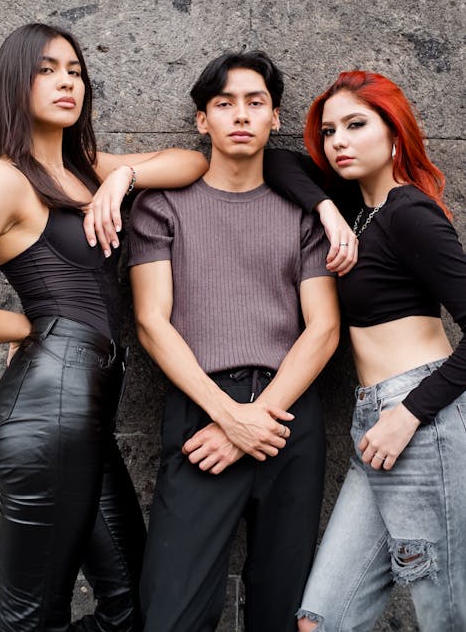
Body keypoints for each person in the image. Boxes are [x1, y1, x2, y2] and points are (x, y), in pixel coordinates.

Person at [0, 22, 208, 632]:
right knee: (32, 617)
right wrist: (26, 327)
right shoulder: (5, 179)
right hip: (46, 409)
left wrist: (123, 178)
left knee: (134, 609)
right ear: (15, 83)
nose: (66, 81)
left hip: (85, 418)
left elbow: (191, 163)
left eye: (74, 70)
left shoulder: (88, 168)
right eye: (47, 69)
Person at [127, 50, 340, 632]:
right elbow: (152, 322)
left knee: (282, 608)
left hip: (287, 416)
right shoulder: (161, 204)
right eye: (224, 104)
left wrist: (251, 422)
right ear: (203, 120)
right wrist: (226, 417)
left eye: (256, 103)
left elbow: (323, 328)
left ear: (275, 118)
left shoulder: (302, 211)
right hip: (201, 414)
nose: (240, 116)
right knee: (172, 614)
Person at [263, 70, 466, 631]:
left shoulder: (409, 214)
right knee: (320, 621)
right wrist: (326, 210)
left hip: (419, 420)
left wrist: (410, 414)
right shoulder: (355, 209)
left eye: (356, 125)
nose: (339, 142)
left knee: (445, 616)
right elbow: (276, 162)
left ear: (394, 133)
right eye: (329, 132)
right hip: (373, 423)